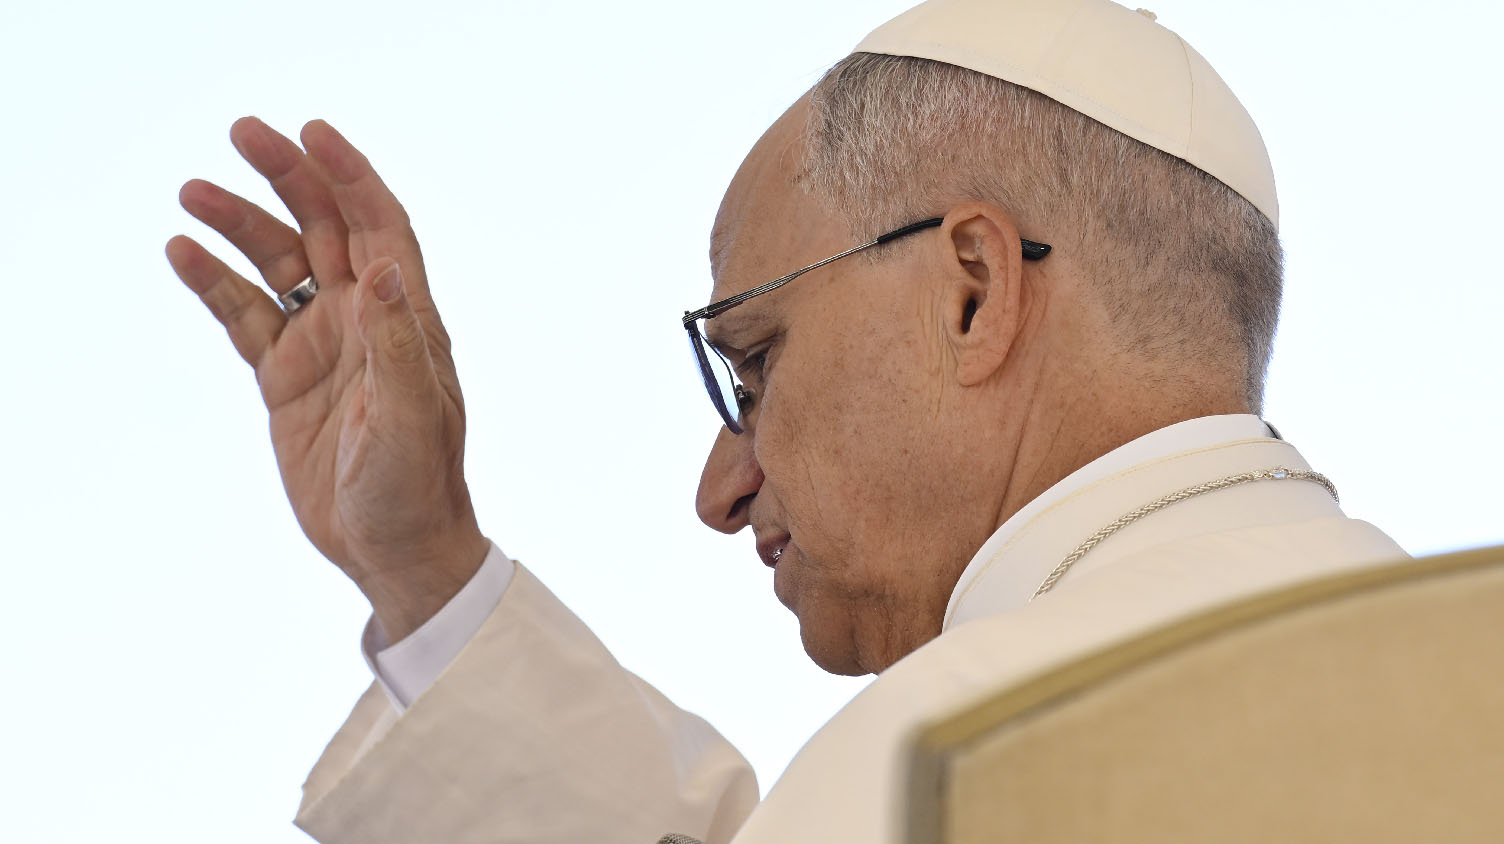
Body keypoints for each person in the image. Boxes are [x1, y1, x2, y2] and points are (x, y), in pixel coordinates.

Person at [164, 0, 1407, 841]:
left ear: (974, 290)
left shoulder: (969, 755)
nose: (720, 490)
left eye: (753, 367)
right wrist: (425, 567)